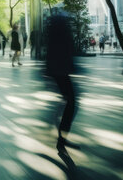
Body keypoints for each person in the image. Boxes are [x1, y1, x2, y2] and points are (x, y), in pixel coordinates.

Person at [45, 13, 79, 158]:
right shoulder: (61, 31)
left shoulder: (53, 31)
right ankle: (62, 138)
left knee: (68, 101)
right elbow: (68, 49)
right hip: (61, 70)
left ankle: (61, 134)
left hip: (57, 70)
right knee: (71, 102)